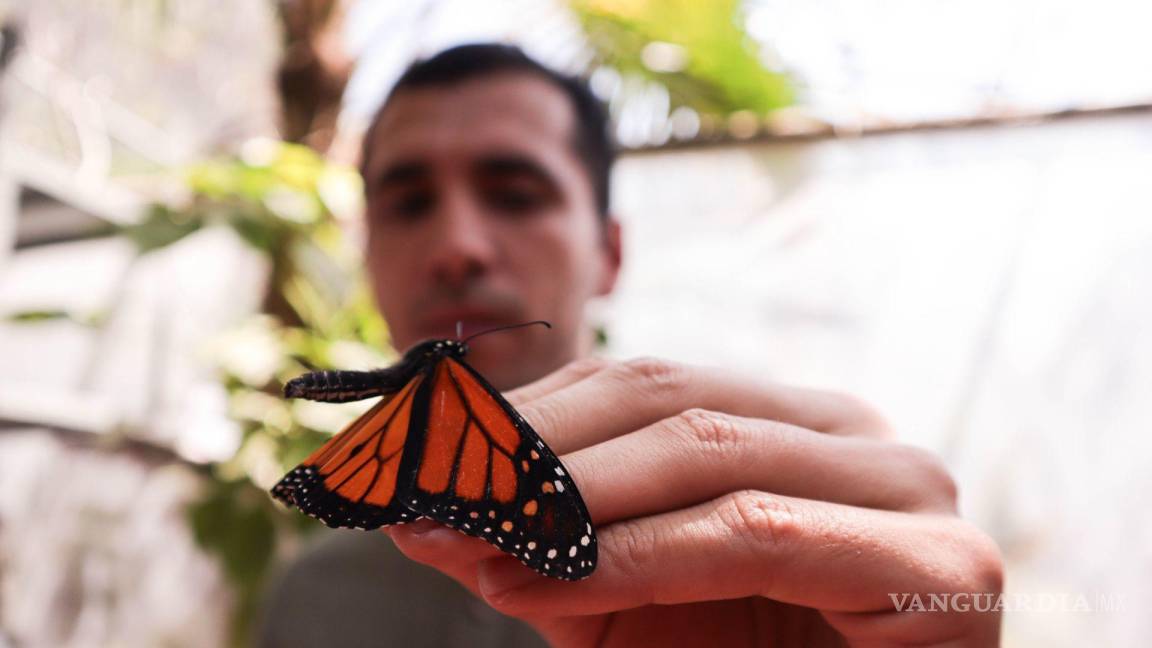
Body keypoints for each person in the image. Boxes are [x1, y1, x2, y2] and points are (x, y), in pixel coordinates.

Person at [258, 44, 1003, 647]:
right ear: (366, 257)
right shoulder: (315, 597)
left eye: (517, 194)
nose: (457, 246)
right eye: (409, 203)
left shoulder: (767, 535)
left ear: (610, 253)